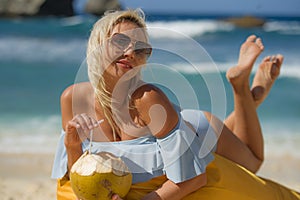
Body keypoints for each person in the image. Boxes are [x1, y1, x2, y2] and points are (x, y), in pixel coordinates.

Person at [51, 9, 299, 200]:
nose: (130, 52)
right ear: (97, 44)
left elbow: (193, 179)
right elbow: (80, 171)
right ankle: (250, 99)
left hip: (199, 130)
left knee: (253, 163)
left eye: (141, 49)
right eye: (120, 42)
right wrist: (72, 144)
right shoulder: (72, 98)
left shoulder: (147, 99)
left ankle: (241, 88)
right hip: (175, 129)